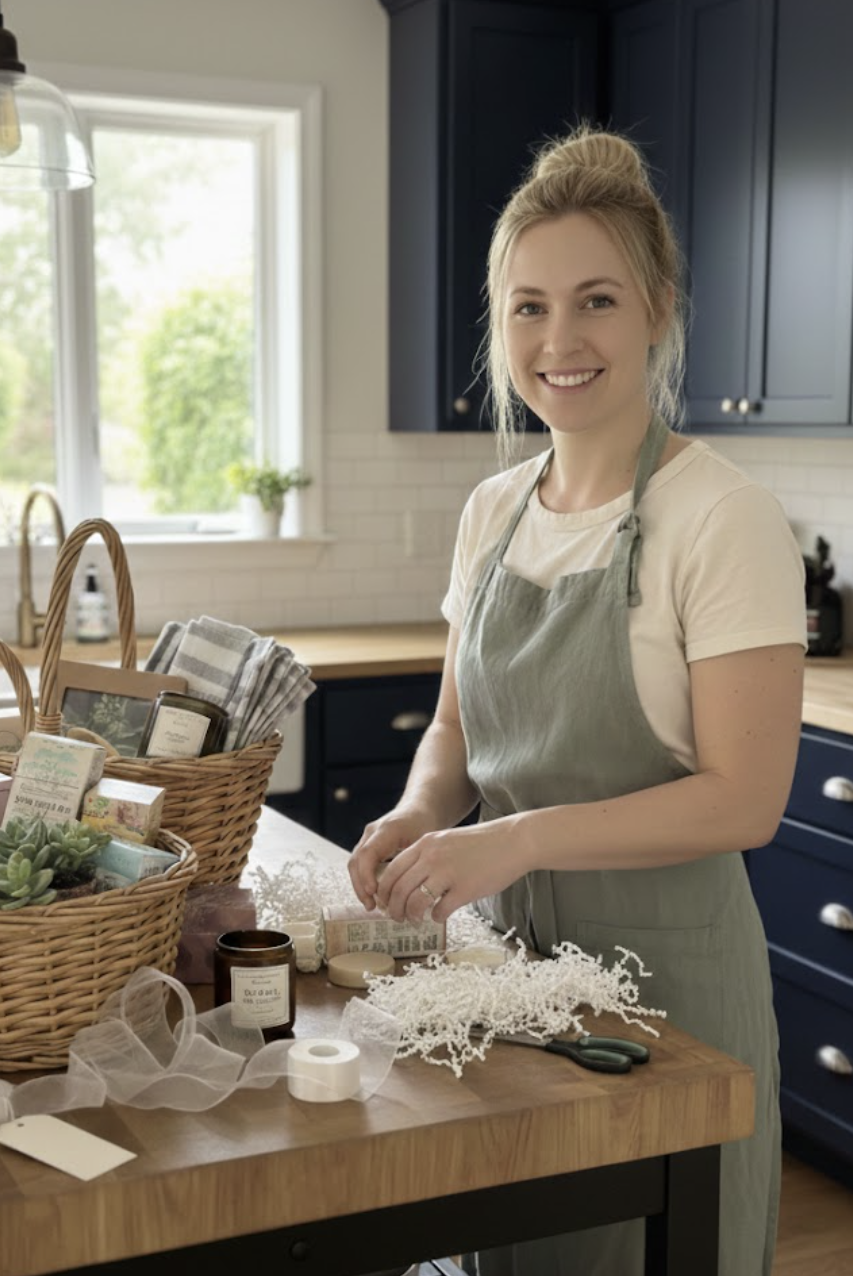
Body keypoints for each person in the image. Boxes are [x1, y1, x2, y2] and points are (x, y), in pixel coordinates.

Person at [348, 125, 807, 1276]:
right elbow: (453, 731)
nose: (559, 340)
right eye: (527, 306)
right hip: (505, 979)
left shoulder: (723, 517)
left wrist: (509, 838)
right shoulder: (490, 511)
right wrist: (415, 817)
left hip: (670, 998)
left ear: (656, 308)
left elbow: (743, 801)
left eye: (594, 300)